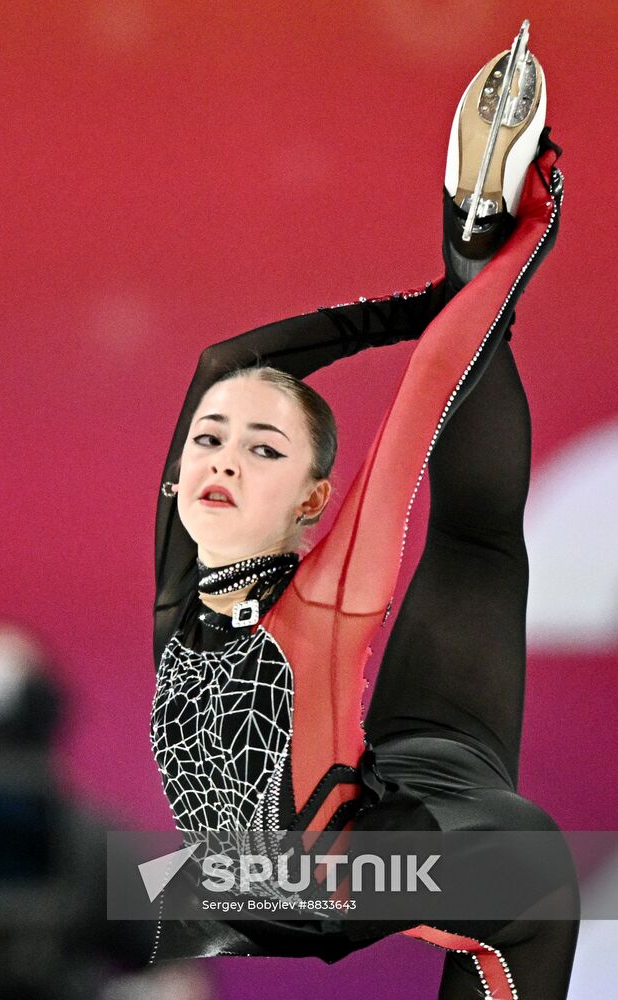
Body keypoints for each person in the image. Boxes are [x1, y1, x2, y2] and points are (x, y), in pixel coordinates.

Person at [148, 25, 580, 1000]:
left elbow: (232, 369)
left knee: (449, 749)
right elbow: (245, 367)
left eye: (260, 448)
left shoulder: (184, 583)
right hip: (332, 883)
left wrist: (445, 296)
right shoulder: (321, 588)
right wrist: (505, 247)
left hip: (220, 880)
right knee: (541, 877)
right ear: (177, 478)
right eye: (209, 441)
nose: (219, 455)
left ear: (310, 500)